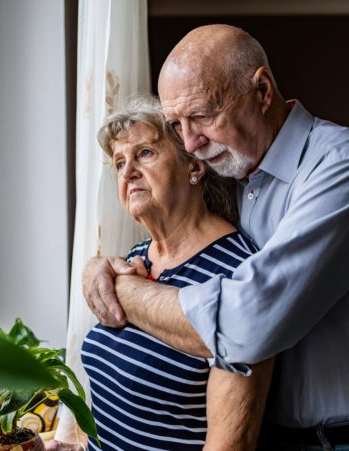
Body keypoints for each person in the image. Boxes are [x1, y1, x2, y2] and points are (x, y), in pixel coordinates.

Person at [82, 24, 349, 450]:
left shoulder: (348, 167)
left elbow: (246, 324)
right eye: (176, 125)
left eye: (202, 116)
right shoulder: (236, 172)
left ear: (262, 91)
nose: (191, 143)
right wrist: (97, 265)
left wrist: (121, 289)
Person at [47, 96, 274, 451]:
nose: (127, 172)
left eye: (145, 154)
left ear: (194, 167)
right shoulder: (136, 259)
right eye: (119, 162)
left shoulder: (238, 273)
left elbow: (231, 444)